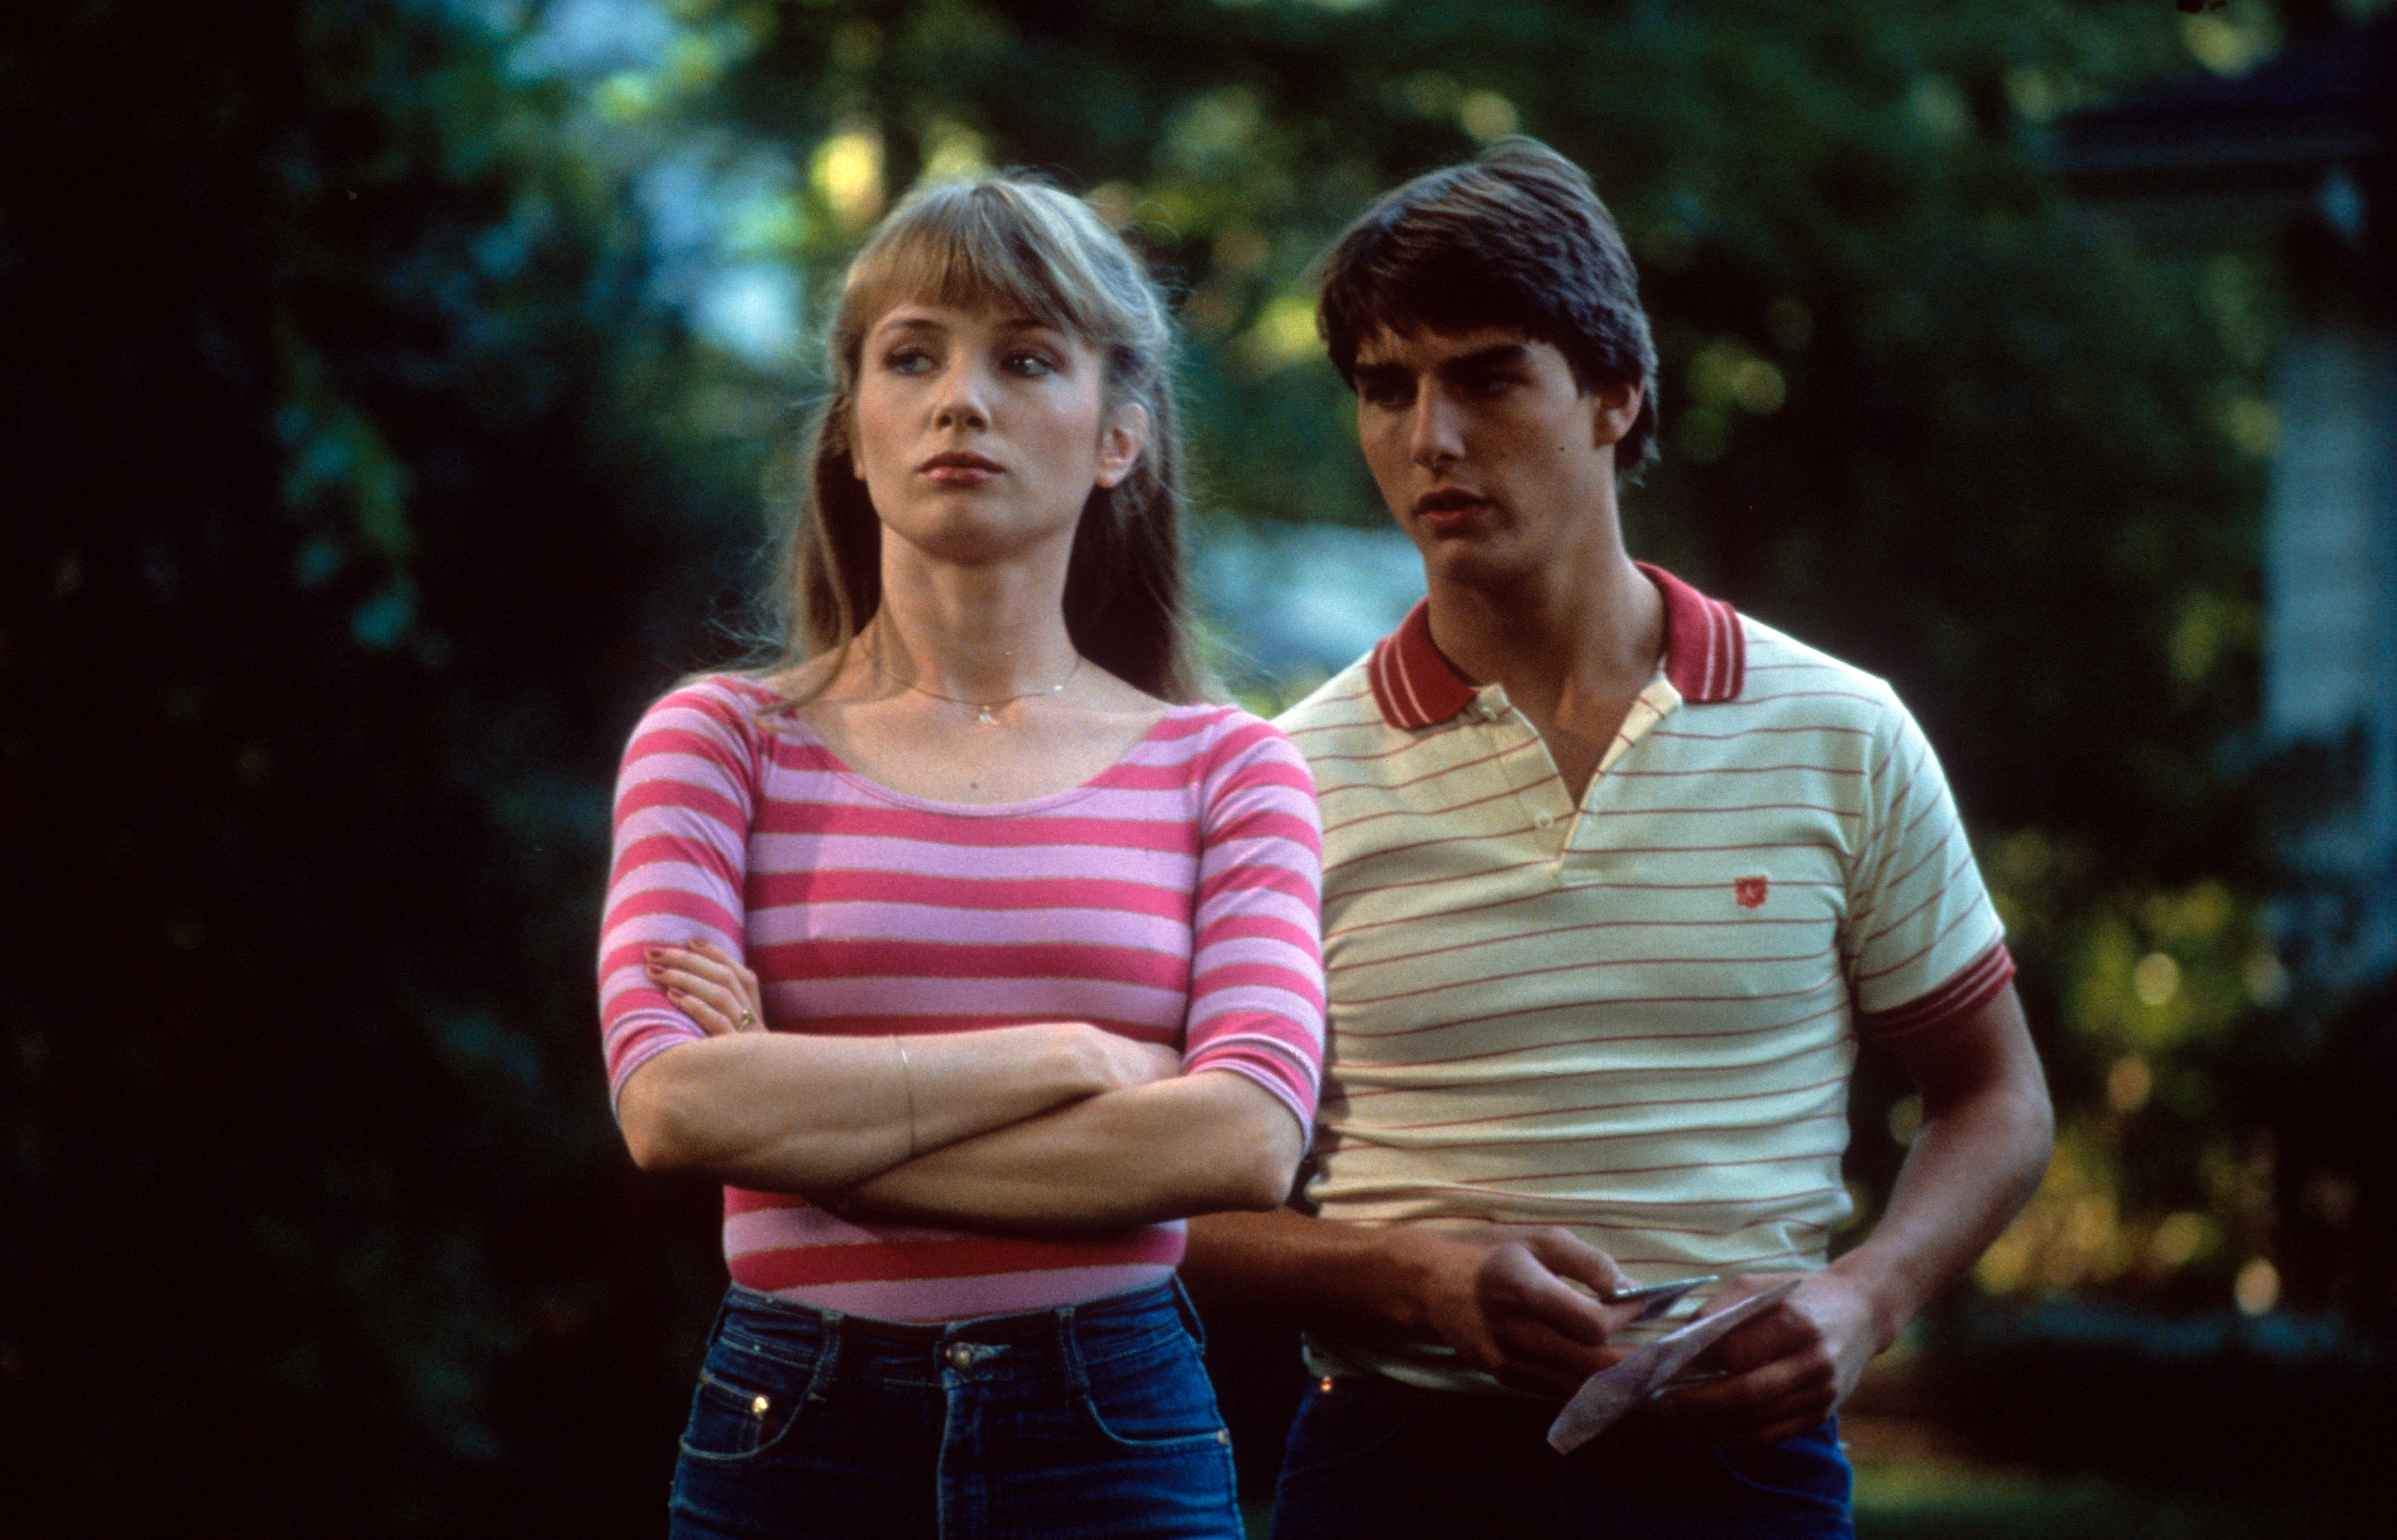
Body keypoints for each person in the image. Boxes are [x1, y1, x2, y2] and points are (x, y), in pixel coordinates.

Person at [1182, 140, 2053, 1539]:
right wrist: (1409, 1283)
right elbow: (1165, 1207)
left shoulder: (1842, 731)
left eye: (1483, 376)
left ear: (1613, 391)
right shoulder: (1281, 778)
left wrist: (1866, 1297)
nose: (1429, 438)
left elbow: (1997, 1098)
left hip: (1735, 1467)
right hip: (1395, 1468)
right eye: (1384, 388)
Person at [597, 172, 1327, 1540]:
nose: (960, 399)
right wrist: (1068, 1058)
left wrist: (808, 1139)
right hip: (792, 1424)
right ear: (853, 433)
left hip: (1109, 1424)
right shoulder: (719, 743)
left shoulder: (1231, 767)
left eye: (1026, 357)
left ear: (1120, 436)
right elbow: (675, 1109)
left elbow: (1241, 1138)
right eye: (912, 354)